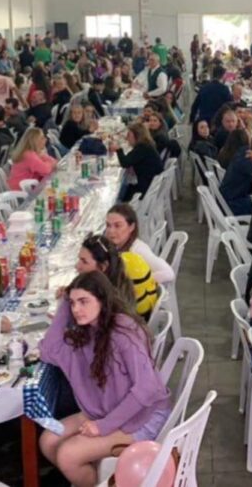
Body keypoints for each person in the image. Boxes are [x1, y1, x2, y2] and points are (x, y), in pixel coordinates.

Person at [38, 271, 171, 487]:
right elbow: (49, 350)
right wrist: (64, 302)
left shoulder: (123, 331)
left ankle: (90, 476)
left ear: (102, 299)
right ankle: (96, 479)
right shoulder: (87, 331)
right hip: (106, 407)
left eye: (83, 301)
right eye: (73, 303)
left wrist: (103, 426)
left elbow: (147, 388)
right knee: (48, 441)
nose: (76, 309)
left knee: (67, 455)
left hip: (142, 417)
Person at [75, 235, 159, 319]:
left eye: (84, 262)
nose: (77, 266)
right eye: (79, 259)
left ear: (103, 267)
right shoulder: (123, 265)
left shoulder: (109, 299)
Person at [102, 204, 175, 287]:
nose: (111, 231)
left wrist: (137, 283)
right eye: (108, 225)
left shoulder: (138, 249)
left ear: (131, 227)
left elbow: (168, 273)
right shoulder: (115, 246)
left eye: (117, 226)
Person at [112, 122, 164, 202]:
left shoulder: (142, 148)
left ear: (136, 136)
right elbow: (131, 158)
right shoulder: (146, 145)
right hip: (150, 183)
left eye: (129, 135)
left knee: (121, 192)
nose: (127, 138)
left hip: (145, 188)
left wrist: (118, 149)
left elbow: (125, 163)